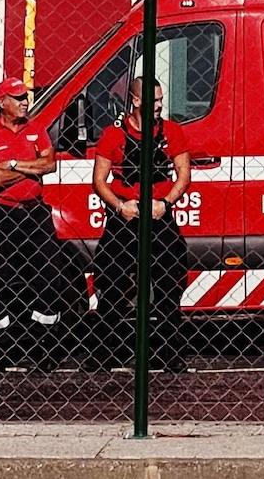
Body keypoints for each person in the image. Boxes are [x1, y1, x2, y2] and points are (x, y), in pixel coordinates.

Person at [91, 76, 193, 370]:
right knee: (112, 285)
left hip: (159, 216)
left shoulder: (172, 132)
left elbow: (183, 176)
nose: (159, 107)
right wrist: (120, 206)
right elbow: (100, 181)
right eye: (153, 102)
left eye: (161, 101)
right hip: (125, 218)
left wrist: (166, 204)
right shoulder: (113, 135)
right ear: (135, 101)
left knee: (168, 284)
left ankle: (170, 355)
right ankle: (104, 355)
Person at [0, 76, 67, 370]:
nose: (25, 102)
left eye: (26, 97)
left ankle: (44, 353)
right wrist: (30, 170)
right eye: (18, 98)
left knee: (48, 278)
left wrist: (13, 165)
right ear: (3, 103)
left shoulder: (36, 130)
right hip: (1, 214)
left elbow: (50, 164)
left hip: (34, 213)